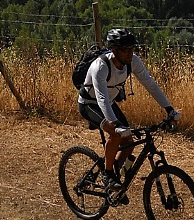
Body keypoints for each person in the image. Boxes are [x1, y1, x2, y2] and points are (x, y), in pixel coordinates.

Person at [77, 27, 179, 190]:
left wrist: (169, 109)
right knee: (115, 134)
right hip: (90, 103)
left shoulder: (133, 62)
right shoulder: (100, 66)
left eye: (132, 49)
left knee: (129, 143)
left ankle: (114, 176)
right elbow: (101, 98)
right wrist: (115, 124)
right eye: (125, 50)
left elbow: (150, 84)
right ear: (114, 50)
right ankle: (107, 174)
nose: (130, 53)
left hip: (108, 103)